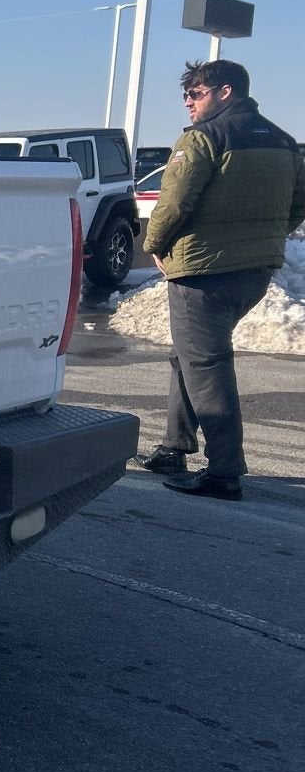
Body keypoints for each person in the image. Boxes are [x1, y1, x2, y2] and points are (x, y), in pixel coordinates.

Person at [135, 60, 305, 500]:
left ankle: (224, 472)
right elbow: (299, 202)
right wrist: (264, 237)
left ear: (225, 92)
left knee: (207, 368)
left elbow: (174, 203)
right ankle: (174, 445)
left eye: (196, 94)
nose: (189, 103)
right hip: (254, 271)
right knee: (188, 357)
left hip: (204, 272)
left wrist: (154, 245)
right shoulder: (285, 142)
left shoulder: (205, 139)